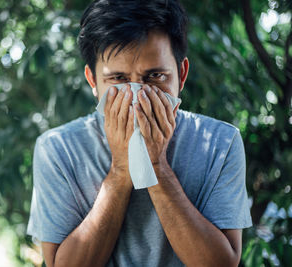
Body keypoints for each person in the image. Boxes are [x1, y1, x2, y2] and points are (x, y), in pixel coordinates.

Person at [26, 0, 252, 266]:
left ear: (181, 74)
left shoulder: (220, 143)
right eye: (118, 79)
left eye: (155, 76)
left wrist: (155, 166)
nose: (137, 96)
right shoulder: (58, 149)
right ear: (93, 82)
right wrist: (122, 170)